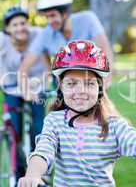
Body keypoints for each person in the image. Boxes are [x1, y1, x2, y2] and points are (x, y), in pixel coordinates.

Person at [18, 40, 136, 187]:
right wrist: (32, 175)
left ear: (100, 89)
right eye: (71, 83)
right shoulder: (55, 121)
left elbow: (132, 140)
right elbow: (43, 150)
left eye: (89, 83)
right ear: (61, 89)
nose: (80, 90)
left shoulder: (114, 126)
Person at [18, 0, 113, 93]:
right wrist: (26, 90)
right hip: (63, 81)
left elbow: (105, 51)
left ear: (65, 13)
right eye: (46, 17)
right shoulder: (45, 34)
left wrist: (106, 80)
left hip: (90, 76)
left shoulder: (88, 19)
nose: (50, 21)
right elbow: (24, 67)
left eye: (53, 15)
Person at [0, 6, 50, 185]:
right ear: (7, 29)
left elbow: (47, 70)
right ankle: (18, 170)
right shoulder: (2, 41)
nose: (20, 27)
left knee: (39, 126)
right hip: (12, 86)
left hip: (36, 84)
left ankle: (40, 171)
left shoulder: (38, 35)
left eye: (23, 23)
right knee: (15, 131)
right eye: (15, 25)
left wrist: (32, 85)